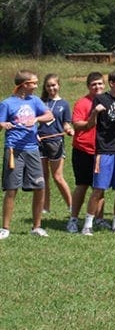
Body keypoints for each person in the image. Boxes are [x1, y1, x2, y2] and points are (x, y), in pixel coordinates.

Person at [81, 70, 115, 235]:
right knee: (98, 189)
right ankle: (87, 225)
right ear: (111, 83)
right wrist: (94, 112)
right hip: (104, 150)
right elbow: (90, 125)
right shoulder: (101, 99)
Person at [0, 70, 54, 239]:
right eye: (33, 83)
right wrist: (4, 124)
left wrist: (36, 120)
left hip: (32, 149)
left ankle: (36, 227)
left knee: (40, 186)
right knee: (11, 189)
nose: (37, 86)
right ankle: (5, 228)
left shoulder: (35, 101)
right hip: (13, 149)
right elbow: (0, 123)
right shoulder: (7, 103)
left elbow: (49, 115)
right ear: (24, 85)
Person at [66, 72, 108, 233]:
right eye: (94, 84)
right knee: (82, 185)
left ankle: (99, 218)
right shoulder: (82, 103)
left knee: (100, 186)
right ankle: (73, 219)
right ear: (88, 86)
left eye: (100, 84)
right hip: (83, 149)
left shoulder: (107, 101)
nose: (97, 87)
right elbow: (77, 124)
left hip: (102, 150)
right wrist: (93, 115)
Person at [38, 74, 73, 213]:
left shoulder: (64, 104)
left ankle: (72, 206)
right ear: (45, 87)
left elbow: (66, 123)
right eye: (48, 86)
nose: (51, 88)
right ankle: (45, 207)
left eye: (54, 85)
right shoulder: (40, 102)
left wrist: (69, 130)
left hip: (56, 142)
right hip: (40, 142)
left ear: (59, 85)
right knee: (43, 176)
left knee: (57, 176)